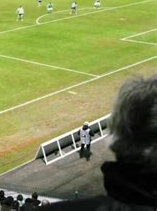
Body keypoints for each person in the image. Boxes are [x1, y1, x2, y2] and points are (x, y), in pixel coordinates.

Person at [42, 75, 157, 211]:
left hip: (89, 143)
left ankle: (84, 151)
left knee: (85, 146)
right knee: (86, 146)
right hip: (88, 142)